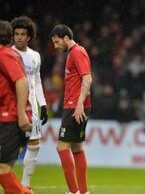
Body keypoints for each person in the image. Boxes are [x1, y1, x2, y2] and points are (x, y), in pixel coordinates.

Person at [51, 24, 92, 194]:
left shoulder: (77, 52)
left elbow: (88, 79)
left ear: (66, 38)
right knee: (77, 148)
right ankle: (82, 192)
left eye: (57, 42)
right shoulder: (73, 53)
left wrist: (79, 104)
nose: (55, 46)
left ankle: (73, 191)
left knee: (61, 147)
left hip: (75, 106)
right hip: (75, 105)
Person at [11, 15, 48, 192]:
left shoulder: (35, 56)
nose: (19, 37)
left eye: (22, 34)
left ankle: (25, 186)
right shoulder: (7, 54)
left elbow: (37, 80)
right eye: (16, 33)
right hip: (11, 107)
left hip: (31, 108)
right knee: (7, 148)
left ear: (29, 36)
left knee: (35, 144)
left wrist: (42, 104)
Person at [0, 20, 32, 194]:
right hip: (5, 118)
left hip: (11, 119)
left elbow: (21, 81)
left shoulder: (4, 55)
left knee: (2, 170)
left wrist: (21, 113)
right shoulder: (7, 54)